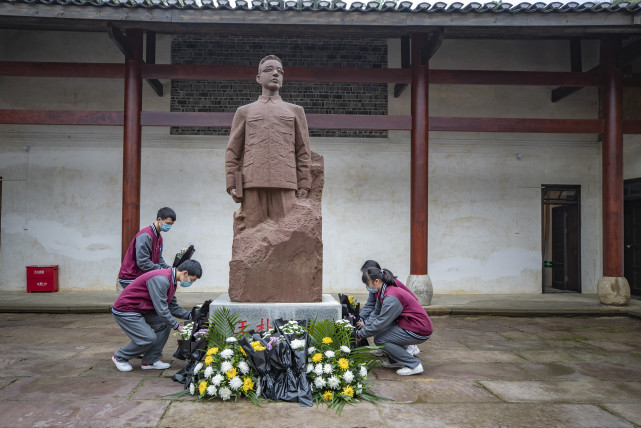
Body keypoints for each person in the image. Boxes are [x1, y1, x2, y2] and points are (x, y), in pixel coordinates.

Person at [225, 55, 312, 229]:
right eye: (268, 70)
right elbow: (233, 151)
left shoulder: (295, 111)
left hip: (285, 182)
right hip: (252, 181)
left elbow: (303, 151)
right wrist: (232, 183)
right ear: (258, 78)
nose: (275, 74)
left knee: (287, 232)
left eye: (280, 71)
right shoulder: (245, 111)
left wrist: (304, 183)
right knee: (252, 232)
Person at [111, 259, 202, 372]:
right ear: (184, 273)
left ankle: (150, 360)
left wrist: (193, 315)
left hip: (141, 309)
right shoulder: (161, 279)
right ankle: (120, 357)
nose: (190, 283)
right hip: (126, 310)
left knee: (163, 324)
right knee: (148, 338)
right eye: (191, 280)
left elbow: (173, 307)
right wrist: (177, 326)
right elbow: (162, 309)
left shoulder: (172, 281)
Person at [356, 267, 433, 376]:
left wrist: (361, 334)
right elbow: (376, 313)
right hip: (409, 324)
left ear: (376, 281)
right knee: (382, 335)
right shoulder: (384, 291)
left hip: (419, 329)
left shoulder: (391, 297)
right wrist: (365, 326)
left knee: (381, 339)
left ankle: (414, 365)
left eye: (367, 284)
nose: (367, 287)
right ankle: (395, 360)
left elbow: (381, 322)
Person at [358, 260, 420, 357]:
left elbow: (389, 309)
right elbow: (370, 304)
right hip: (391, 310)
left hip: (404, 313)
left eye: (367, 280)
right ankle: (385, 348)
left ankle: (410, 346)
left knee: (382, 324)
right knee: (378, 323)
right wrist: (361, 318)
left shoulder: (391, 284)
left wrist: (364, 326)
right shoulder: (375, 286)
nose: (367, 283)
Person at [116, 207, 176, 294]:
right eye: (168, 223)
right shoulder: (145, 235)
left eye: (171, 224)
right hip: (130, 278)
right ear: (159, 219)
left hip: (141, 276)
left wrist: (171, 270)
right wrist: (162, 271)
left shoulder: (159, 237)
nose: (169, 226)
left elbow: (159, 259)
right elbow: (143, 263)